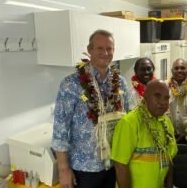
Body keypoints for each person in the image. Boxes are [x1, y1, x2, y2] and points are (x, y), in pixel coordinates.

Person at [52, 29, 130, 188]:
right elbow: (60, 128)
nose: (105, 52)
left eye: (109, 48)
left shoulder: (120, 82)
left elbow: (128, 119)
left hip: (114, 163)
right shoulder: (71, 84)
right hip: (84, 168)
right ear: (89, 50)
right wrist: (63, 168)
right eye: (100, 48)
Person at [111, 80, 178, 188]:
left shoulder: (166, 122)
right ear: (145, 97)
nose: (162, 102)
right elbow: (120, 166)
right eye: (157, 96)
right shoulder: (129, 123)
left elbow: (169, 160)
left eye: (166, 98)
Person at [167, 58, 187, 142]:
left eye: (182, 68)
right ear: (171, 70)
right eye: (176, 68)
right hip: (168, 135)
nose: (179, 70)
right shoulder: (164, 87)